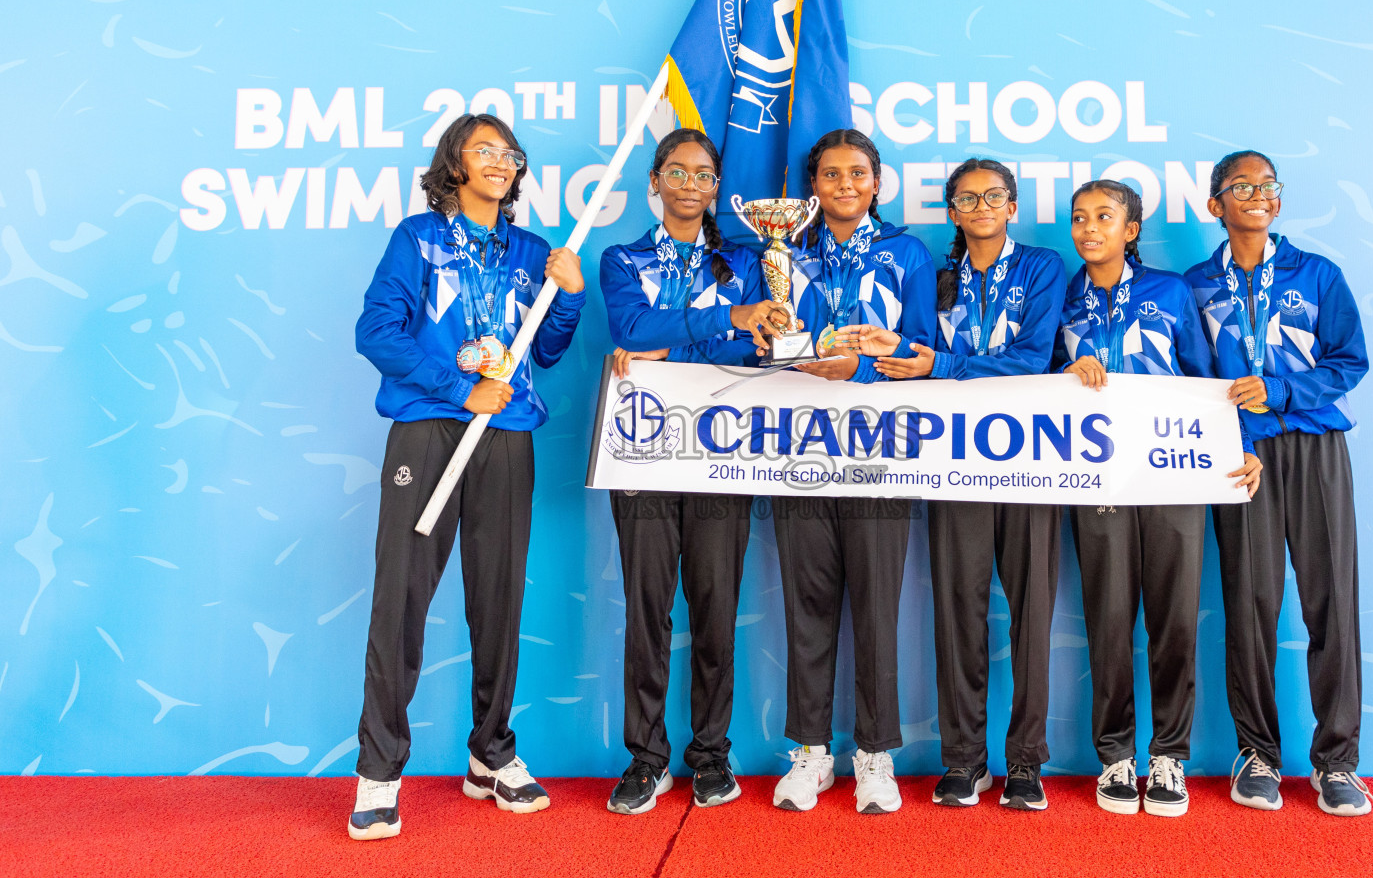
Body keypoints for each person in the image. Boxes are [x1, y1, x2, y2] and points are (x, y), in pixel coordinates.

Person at [347, 113, 585, 840]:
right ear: (453, 164)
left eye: (508, 152)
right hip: (430, 424)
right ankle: (378, 771)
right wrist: (456, 390)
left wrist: (568, 293)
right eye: (483, 149)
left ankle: (491, 755)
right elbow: (376, 332)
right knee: (402, 597)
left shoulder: (533, 250)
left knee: (498, 600)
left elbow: (545, 349)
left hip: (506, 436)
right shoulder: (416, 239)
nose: (499, 160)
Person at [831, 159, 1066, 810]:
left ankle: (1025, 763)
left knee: (1032, 614)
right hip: (955, 461)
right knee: (957, 613)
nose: (982, 205)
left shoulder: (1042, 269)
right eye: (967, 198)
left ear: (1012, 206)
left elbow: (1034, 358)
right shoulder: (934, 282)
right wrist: (898, 356)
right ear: (953, 212)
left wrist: (942, 365)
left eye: (994, 195)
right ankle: (965, 761)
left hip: (1033, 461)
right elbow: (912, 363)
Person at [1052, 179, 1262, 818]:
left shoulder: (1169, 291)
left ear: (1131, 229)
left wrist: (1238, 446)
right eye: (1080, 218)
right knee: (1109, 617)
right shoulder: (1064, 297)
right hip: (1098, 479)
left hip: (1173, 476)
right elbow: (1040, 381)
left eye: (1105, 217)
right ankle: (1115, 757)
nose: (1091, 228)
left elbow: (1208, 382)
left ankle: (1169, 753)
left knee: (1174, 617)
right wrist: (1064, 377)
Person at [597, 128, 787, 814]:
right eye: (675, 172)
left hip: (721, 449)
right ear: (655, 182)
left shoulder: (745, 262)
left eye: (702, 174)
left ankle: (711, 753)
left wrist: (682, 332)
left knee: (714, 605)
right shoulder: (620, 258)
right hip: (643, 450)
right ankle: (646, 759)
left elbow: (758, 342)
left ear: (715, 188)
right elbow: (630, 328)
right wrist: (718, 323)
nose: (688, 183)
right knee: (647, 609)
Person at [1184, 150, 1373, 816]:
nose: (1259, 194)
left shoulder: (1317, 275)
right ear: (1216, 205)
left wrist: (1283, 391)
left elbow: (1351, 361)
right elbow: (1191, 381)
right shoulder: (1195, 287)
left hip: (1317, 447)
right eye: (1243, 186)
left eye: (1268, 185)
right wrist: (1238, 439)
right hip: (1241, 458)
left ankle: (1338, 762)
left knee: (1331, 604)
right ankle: (1258, 753)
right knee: (1250, 603)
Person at [769, 128, 936, 814]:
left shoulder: (906, 254)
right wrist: (798, 359)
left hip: (879, 451)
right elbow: (769, 347)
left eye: (857, 173)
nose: (843, 184)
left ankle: (875, 755)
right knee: (806, 606)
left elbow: (923, 351)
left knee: (876, 605)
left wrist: (859, 369)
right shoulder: (784, 253)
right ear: (813, 186)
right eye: (830, 174)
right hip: (799, 449)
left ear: (877, 183)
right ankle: (810, 753)